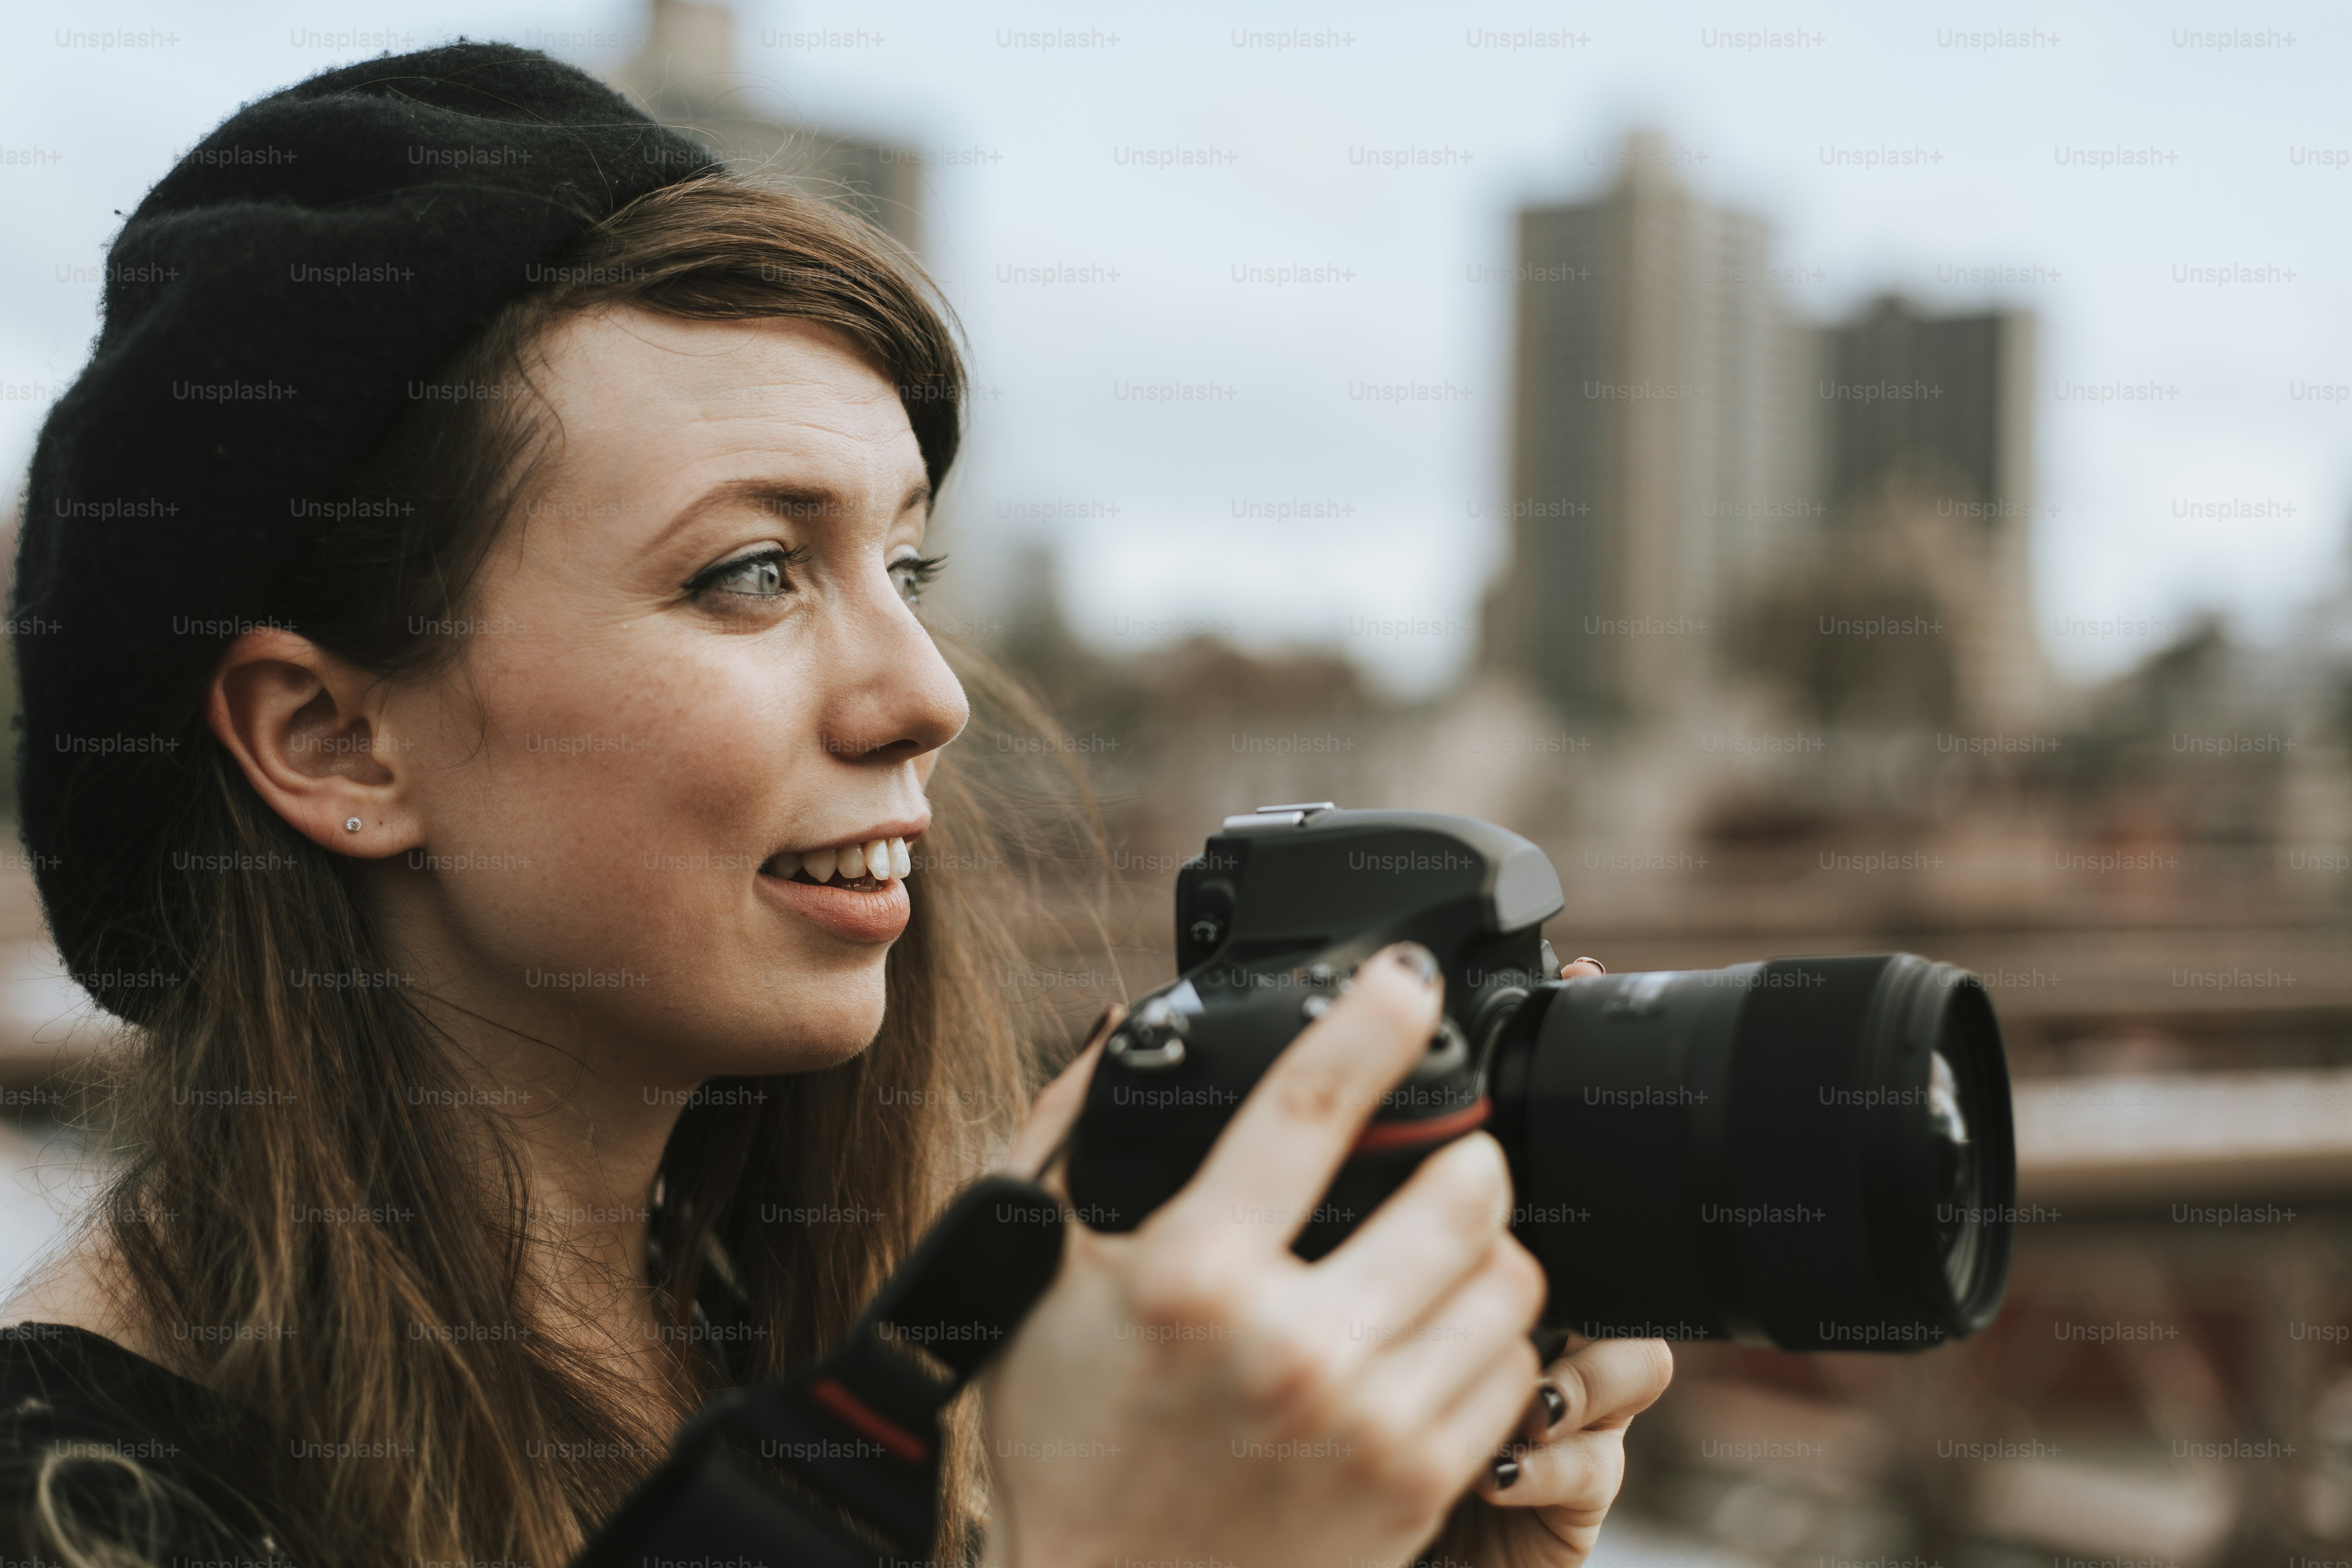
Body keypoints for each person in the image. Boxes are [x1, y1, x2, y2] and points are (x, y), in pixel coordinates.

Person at [0, 43, 1671, 1568]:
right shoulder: (77, 1498)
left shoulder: (891, 1358)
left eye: (906, 562)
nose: (928, 693)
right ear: (334, 742)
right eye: (751, 572)